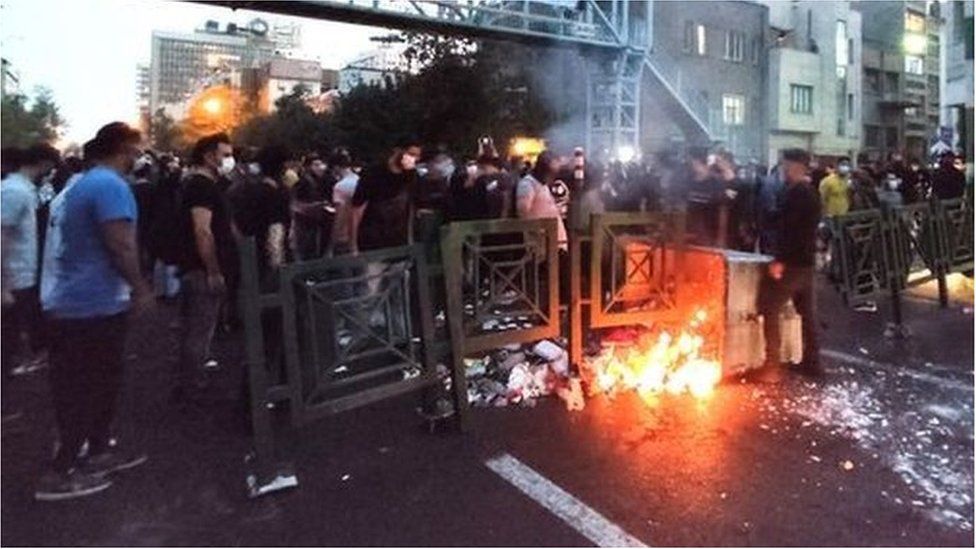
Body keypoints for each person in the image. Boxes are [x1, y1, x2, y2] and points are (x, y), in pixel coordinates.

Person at [38, 122, 152, 501]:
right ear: (121, 147)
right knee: (83, 387)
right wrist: (140, 288)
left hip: (84, 301)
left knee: (100, 382)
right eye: (137, 147)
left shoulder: (86, 183)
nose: (142, 154)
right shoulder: (109, 186)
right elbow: (120, 245)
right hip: (90, 305)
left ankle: (99, 451)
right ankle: (61, 471)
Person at [174, 133, 237, 402]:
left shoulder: (205, 184)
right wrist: (212, 270)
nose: (229, 160)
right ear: (208, 155)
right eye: (225, 155)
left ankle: (191, 380)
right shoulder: (201, 186)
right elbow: (203, 230)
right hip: (201, 270)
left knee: (196, 328)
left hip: (197, 267)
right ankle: (193, 385)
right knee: (199, 329)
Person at [758, 148, 822, 379]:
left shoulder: (799, 194)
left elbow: (791, 231)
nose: (783, 170)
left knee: (768, 305)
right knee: (807, 313)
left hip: (793, 263)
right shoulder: (808, 192)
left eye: (785, 166)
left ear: (796, 167)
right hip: (806, 262)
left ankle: (771, 366)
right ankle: (813, 364)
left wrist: (779, 260)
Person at [2, 143, 60, 378]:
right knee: (9, 328)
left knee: (14, 326)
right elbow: (1, 235)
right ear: (44, 162)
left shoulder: (21, 189)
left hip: (20, 272)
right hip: (15, 274)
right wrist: (2, 284)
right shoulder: (15, 191)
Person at [515, 150, 567, 247]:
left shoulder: (542, 185)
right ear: (543, 169)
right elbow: (523, 214)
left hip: (554, 244)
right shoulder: (527, 184)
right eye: (551, 172)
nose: (553, 176)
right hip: (542, 245)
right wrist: (539, 234)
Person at [291, 153, 333, 261]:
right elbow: (295, 204)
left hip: (316, 222)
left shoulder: (321, 180)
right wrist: (315, 206)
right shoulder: (303, 183)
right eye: (316, 164)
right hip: (305, 223)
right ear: (308, 167)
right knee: (306, 252)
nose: (320, 167)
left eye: (321, 164)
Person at [329, 149, 359, 257]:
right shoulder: (358, 181)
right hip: (359, 232)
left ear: (336, 167)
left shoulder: (340, 187)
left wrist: (333, 241)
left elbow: (339, 216)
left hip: (344, 236)